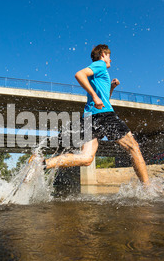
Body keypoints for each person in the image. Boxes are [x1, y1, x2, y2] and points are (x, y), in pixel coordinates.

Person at [31, 44, 151, 187]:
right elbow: (79, 74)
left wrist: (111, 88)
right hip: (104, 116)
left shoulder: (100, 73)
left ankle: (42, 164)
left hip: (91, 117)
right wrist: (94, 96)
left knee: (86, 158)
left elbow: (104, 100)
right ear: (102, 55)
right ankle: (148, 188)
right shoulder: (100, 65)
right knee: (133, 147)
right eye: (109, 56)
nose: (110, 60)